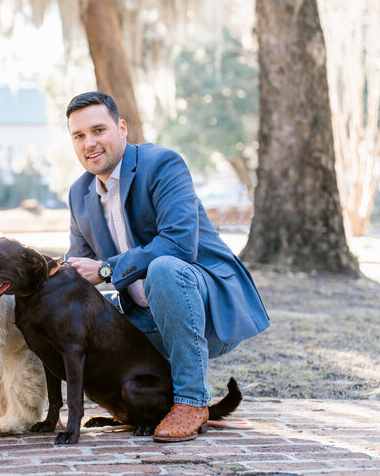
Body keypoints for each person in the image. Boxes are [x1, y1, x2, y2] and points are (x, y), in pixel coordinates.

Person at [64, 92, 269, 442]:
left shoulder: (162, 164)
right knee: (75, 313)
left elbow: (179, 243)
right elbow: (81, 269)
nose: (90, 143)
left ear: (122, 128)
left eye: (99, 130)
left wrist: (107, 270)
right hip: (144, 320)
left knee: (164, 268)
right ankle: (131, 406)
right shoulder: (79, 193)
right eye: (79, 136)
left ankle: (192, 401)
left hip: (204, 311)